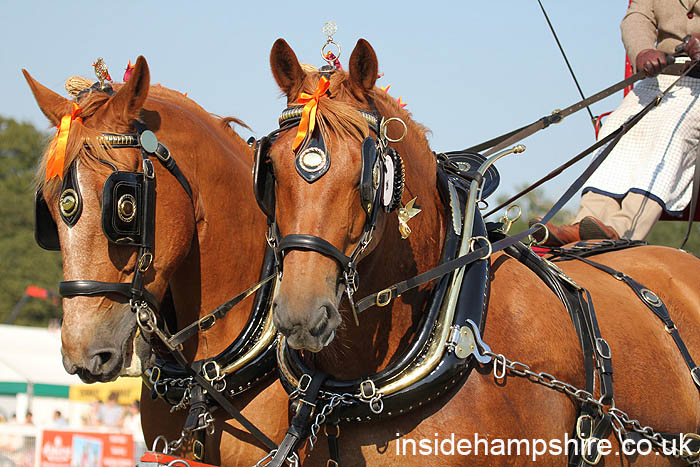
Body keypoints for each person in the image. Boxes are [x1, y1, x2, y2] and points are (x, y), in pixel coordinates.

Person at [533, 0, 700, 246]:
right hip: (661, 75)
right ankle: (586, 223)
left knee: (669, 134)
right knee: (615, 128)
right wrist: (643, 51)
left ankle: (623, 232)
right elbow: (638, 16)